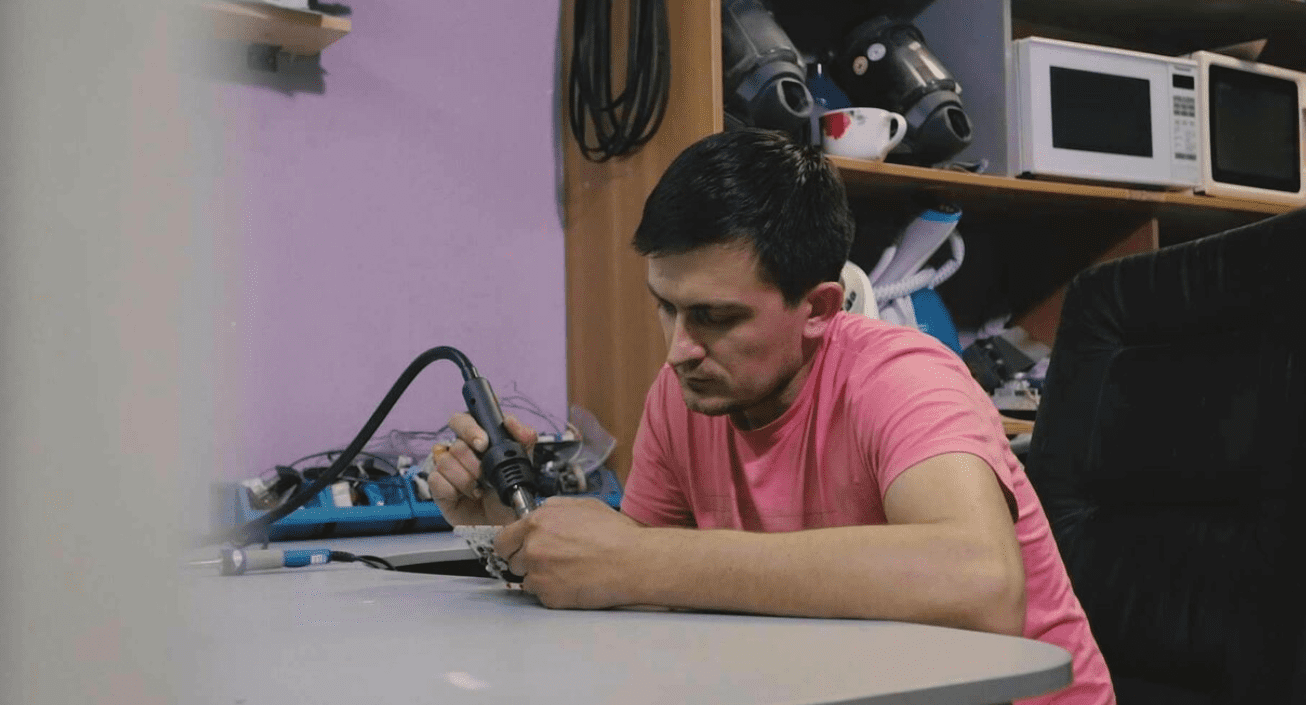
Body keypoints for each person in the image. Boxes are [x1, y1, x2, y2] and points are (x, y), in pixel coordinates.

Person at [428, 128, 1114, 704]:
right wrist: (511, 522)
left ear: (817, 309)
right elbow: (633, 589)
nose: (678, 349)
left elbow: (980, 585)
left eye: (715, 316)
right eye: (666, 306)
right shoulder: (686, 391)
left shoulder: (904, 376)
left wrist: (643, 560)